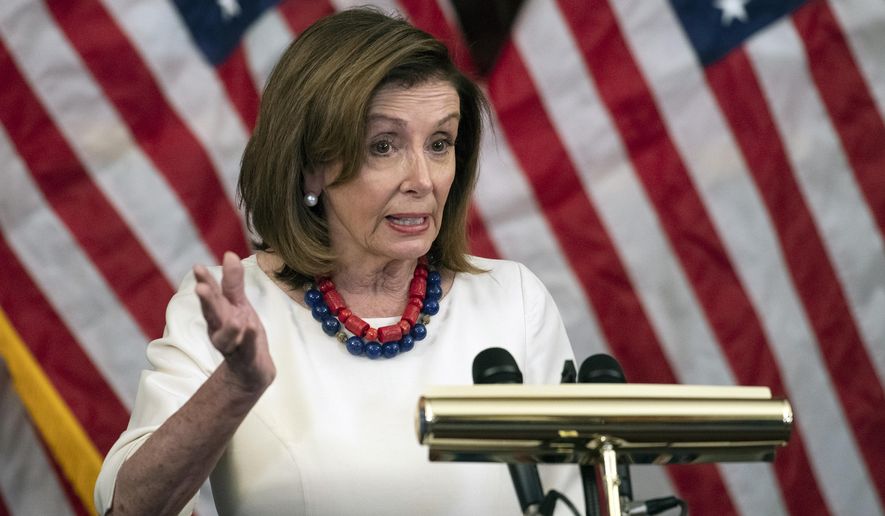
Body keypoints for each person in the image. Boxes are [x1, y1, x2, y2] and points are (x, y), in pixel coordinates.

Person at [95, 7, 578, 515]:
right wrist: (236, 387)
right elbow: (127, 507)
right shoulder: (232, 314)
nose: (423, 179)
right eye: (384, 145)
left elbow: (574, 502)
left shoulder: (513, 302)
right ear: (310, 169)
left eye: (440, 144)